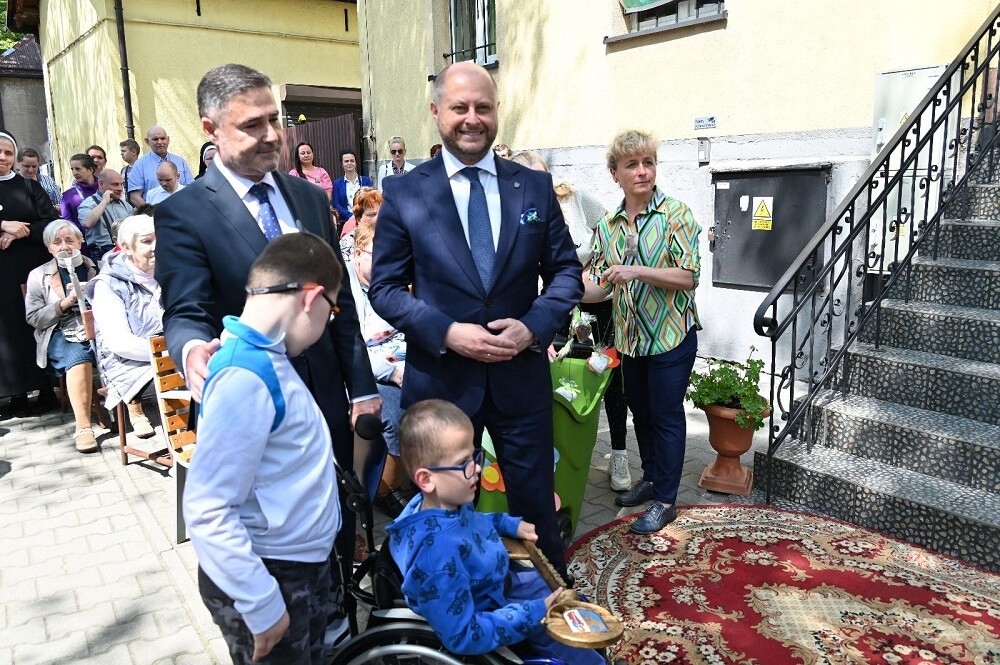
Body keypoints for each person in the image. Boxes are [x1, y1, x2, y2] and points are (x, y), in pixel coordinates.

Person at [155, 63, 379, 625]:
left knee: (334, 523)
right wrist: (191, 350)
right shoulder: (183, 213)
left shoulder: (307, 198)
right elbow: (185, 310)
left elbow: (339, 301)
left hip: (325, 398)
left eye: (274, 120)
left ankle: (340, 623)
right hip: (255, 413)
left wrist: (362, 387)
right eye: (252, 125)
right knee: (277, 555)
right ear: (211, 129)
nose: (272, 135)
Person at [368, 61, 583, 573]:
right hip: (442, 384)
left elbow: (566, 273)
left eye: (483, 107)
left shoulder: (533, 187)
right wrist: (445, 332)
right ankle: (446, 609)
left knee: (537, 511)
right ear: (435, 111)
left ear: (496, 111)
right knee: (441, 521)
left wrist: (533, 325)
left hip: (520, 381)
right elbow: (385, 288)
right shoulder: (405, 193)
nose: (472, 118)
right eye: (459, 107)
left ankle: (548, 604)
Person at [185, 232, 342, 665]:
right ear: (312, 299)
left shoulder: (262, 359)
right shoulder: (245, 376)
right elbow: (207, 506)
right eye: (333, 311)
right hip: (270, 576)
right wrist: (261, 603)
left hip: (293, 565)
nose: (327, 325)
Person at [387, 399, 604, 664]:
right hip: (493, 610)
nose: (477, 468)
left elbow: (472, 522)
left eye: (474, 456)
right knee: (566, 637)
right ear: (426, 479)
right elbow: (464, 635)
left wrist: (506, 523)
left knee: (572, 605)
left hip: (497, 582)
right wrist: (534, 613)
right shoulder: (437, 558)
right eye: (464, 463)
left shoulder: (443, 504)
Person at [582, 129, 701, 535]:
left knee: (666, 417)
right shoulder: (608, 224)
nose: (642, 171)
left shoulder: (676, 215)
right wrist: (560, 289)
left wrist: (637, 271)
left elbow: (688, 276)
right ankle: (651, 478)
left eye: (648, 162)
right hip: (630, 339)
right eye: (631, 164)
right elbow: (601, 285)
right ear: (615, 173)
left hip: (670, 337)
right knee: (642, 414)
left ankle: (666, 500)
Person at [511, 150, 633, 491]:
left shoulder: (574, 199)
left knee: (612, 379)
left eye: (542, 176)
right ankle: (566, 455)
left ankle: (620, 454)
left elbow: (611, 226)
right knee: (563, 378)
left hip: (597, 303)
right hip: (555, 309)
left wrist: (597, 267)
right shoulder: (515, 218)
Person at [346, 218, 408, 517]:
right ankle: (386, 489)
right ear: (358, 253)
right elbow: (350, 347)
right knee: (395, 410)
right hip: (368, 368)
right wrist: (393, 372)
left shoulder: (393, 282)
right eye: (379, 255)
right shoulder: (345, 287)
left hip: (403, 356)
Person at [24, 220, 99, 452]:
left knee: (117, 346)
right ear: (49, 248)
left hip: (97, 326)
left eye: (69, 240)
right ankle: (83, 426)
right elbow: (33, 317)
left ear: (80, 242)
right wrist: (63, 304)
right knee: (78, 356)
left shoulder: (94, 267)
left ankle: (136, 413)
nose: (64, 246)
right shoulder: (38, 275)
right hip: (59, 330)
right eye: (57, 242)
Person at [0, 132, 57, 419]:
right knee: (7, 333)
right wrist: (3, 225)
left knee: (33, 327)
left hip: (28, 271)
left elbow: (50, 222)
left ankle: (45, 389)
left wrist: (22, 231)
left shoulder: (29, 186)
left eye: (8, 153)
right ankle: (16, 394)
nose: (3, 157)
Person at [90, 214, 161, 439]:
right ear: (126, 247)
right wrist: (171, 352)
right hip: (130, 367)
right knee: (201, 381)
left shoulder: (171, 272)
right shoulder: (108, 285)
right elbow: (121, 344)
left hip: (171, 357)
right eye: (147, 241)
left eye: (159, 238)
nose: (156, 246)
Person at [127, 126, 194, 206]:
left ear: (168, 140)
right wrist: (151, 211)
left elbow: (192, 188)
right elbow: (134, 197)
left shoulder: (180, 162)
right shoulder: (139, 165)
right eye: (155, 139)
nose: (159, 142)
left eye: (163, 138)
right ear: (147, 141)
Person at [78, 168, 133, 261]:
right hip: (101, 253)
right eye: (115, 184)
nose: (120, 188)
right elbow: (87, 223)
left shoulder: (125, 205)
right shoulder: (88, 203)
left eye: (122, 184)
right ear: (101, 184)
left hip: (125, 251)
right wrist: (104, 202)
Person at [60, 153, 100, 238]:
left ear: (90, 170)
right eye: (72, 169)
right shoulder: (68, 196)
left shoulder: (104, 190)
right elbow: (68, 224)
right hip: (82, 242)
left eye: (78, 169)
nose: (74, 173)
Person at [331, 148, 371, 226]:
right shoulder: (337, 184)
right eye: (346, 161)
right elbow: (336, 204)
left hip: (364, 221)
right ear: (342, 164)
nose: (349, 163)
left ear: (356, 163)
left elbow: (370, 200)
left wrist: (362, 216)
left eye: (352, 161)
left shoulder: (366, 180)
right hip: (346, 222)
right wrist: (351, 216)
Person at [16, 147, 62, 213]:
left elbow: (61, 205)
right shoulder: (11, 184)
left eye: (34, 166)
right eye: (27, 166)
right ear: (17, 164)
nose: (31, 170)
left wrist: (52, 208)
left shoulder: (49, 181)